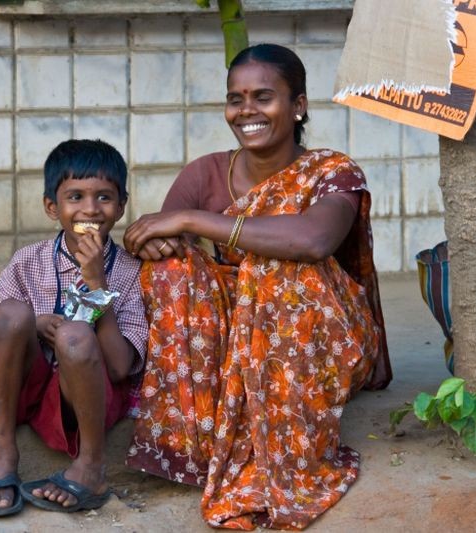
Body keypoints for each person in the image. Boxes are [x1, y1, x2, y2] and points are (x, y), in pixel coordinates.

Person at [123, 44, 392, 530]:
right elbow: (154, 240)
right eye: (235, 98)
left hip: (320, 334)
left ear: (299, 105)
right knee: (171, 271)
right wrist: (151, 244)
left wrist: (190, 218)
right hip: (234, 336)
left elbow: (313, 240)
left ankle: (281, 457)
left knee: (278, 270)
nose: (246, 110)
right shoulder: (205, 172)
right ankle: (201, 435)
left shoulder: (333, 173)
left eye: (263, 96)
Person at [0, 139, 148, 517]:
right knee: (11, 314)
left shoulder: (132, 272)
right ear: (52, 207)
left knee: (75, 334)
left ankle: (90, 468)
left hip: (84, 398)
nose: (90, 209)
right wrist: (35, 326)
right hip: (26, 386)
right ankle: (5, 454)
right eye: (75, 197)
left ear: (121, 206)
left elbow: (120, 367)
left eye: (104, 197)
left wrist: (98, 288)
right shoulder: (28, 261)